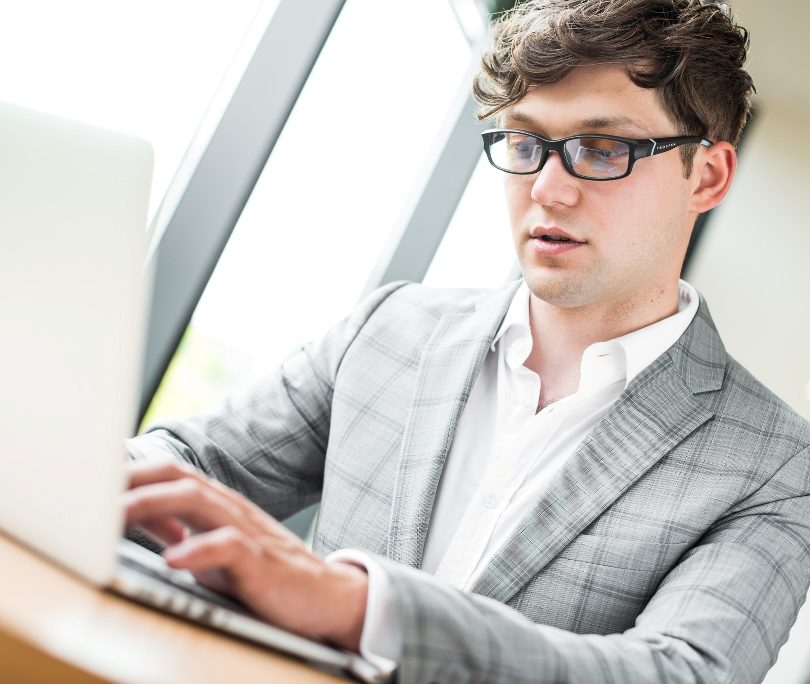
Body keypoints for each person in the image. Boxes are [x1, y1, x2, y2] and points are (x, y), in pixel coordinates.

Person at [124, 1, 810, 682]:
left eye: (603, 149)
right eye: (524, 142)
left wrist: (362, 608)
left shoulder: (777, 464)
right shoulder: (393, 328)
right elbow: (185, 463)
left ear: (709, 175)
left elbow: (680, 674)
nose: (547, 189)